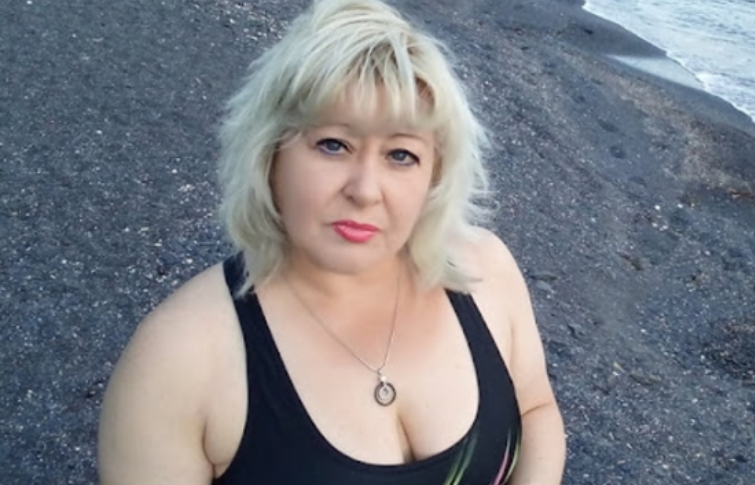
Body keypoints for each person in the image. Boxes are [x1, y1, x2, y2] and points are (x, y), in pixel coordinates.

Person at [98, 0, 566, 483]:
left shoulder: (483, 273)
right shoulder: (180, 360)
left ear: (435, 175)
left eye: (401, 155)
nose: (365, 190)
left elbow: (535, 408)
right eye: (333, 145)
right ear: (269, 155)